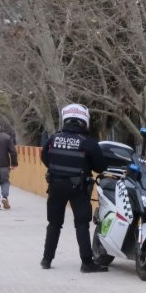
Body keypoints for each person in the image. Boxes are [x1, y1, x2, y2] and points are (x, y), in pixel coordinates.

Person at [40, 104, 108, 272]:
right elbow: (100, 167)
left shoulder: (53, 139)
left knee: (54, 224)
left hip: (55, 185)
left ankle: (46, 260)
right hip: (78, 187)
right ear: (84, 121)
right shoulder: (89, 143)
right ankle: (86, 263)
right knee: (82, 225)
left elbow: (45, 158)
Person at [0, 120, 18, 210]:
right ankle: (5, 197)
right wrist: (14, 164)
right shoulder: (6, 137)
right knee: (5, 181)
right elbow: (13, 152)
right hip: (4, 164)